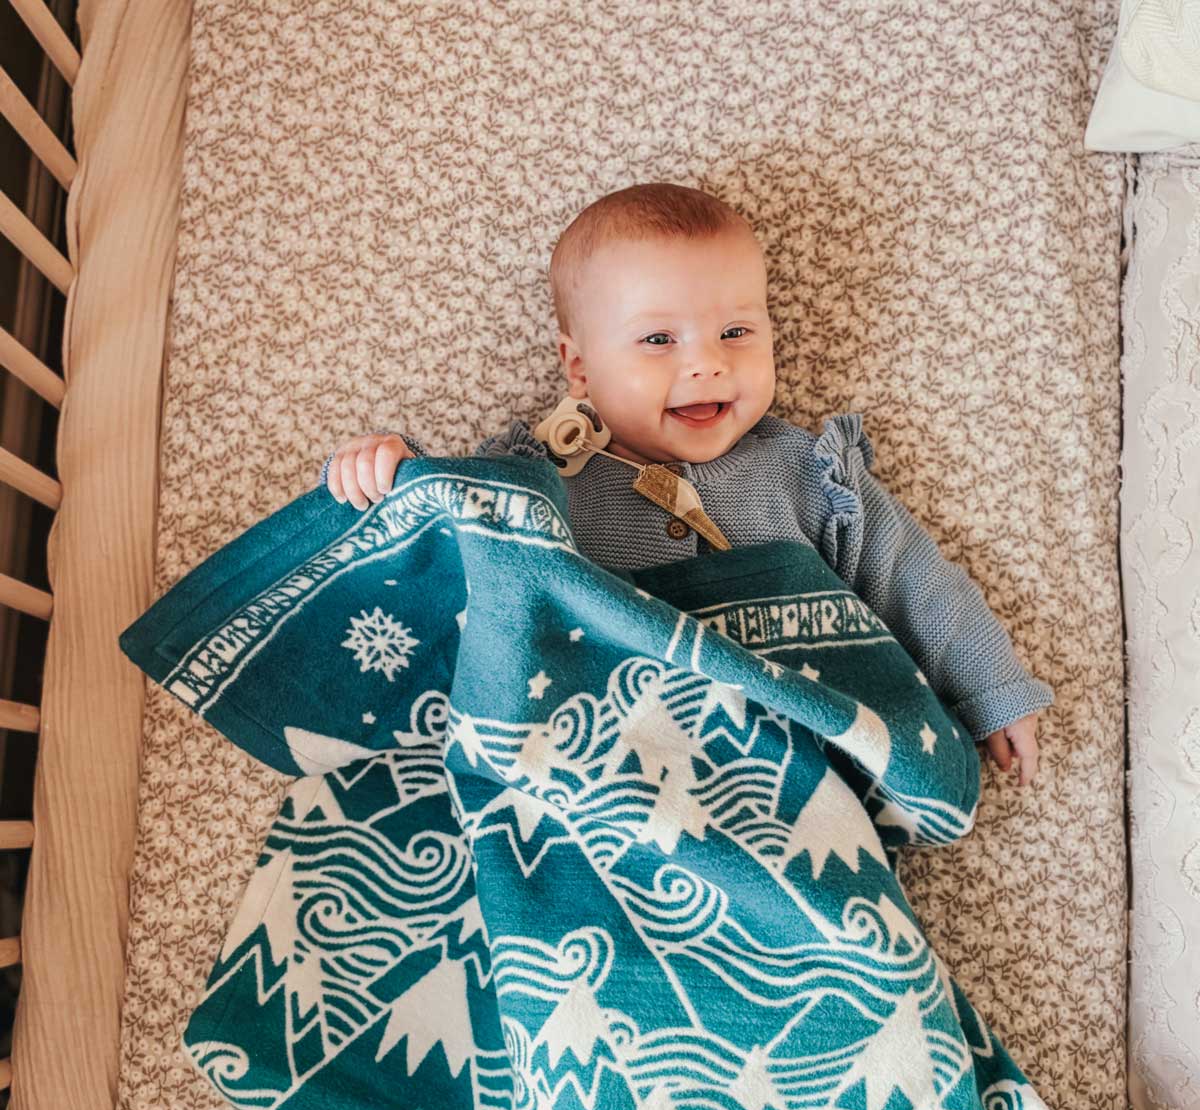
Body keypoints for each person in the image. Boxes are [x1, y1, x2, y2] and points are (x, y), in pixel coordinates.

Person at [320, 181, 1051, 785]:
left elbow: (911, 577)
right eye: (659, 341)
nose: (706, 364)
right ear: (579, 368)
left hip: (788, 763)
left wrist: (989, 688)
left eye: (736, 333)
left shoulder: (806, 470)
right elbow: (457, 539)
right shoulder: (537, 479)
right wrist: (397, 468)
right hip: (602, 762)